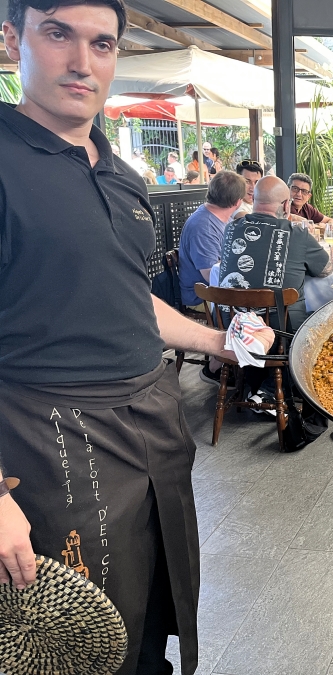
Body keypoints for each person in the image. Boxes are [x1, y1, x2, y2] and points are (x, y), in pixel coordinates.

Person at [0, 3, 274, 675]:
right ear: (11, 39)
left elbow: (129, 299)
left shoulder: (123, 176)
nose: (82, 62)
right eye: (57, 34)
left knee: (153, 609)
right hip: (51, 440)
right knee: (78, 640)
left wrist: (219, 341)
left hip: (152, 425)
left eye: (102, 43)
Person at [228, 176, 332, 329]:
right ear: (286, 205)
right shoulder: (297, 234)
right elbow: (326, 270)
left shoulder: (231, 229)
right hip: (283, 331)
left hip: (230, 327)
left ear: (254, 199)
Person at [178, 171, 246, 309]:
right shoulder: (204, 227)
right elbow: (211, 275)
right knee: (260, 308)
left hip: (219, 292)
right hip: (203, 298)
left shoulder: (220, 218)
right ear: (238, 202)